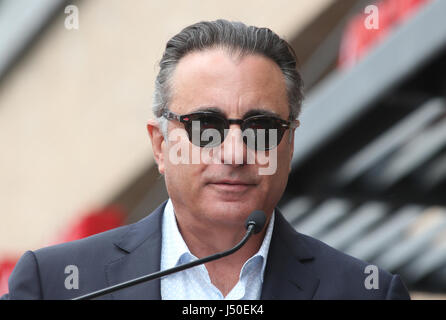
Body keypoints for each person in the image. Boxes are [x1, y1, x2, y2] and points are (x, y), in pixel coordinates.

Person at [1, 19, 410, 300]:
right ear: (160, 146)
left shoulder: (366, 291)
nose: (234, 153)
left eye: (261, 127)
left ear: (289, 144)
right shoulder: (55, 284)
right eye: (205, 126)